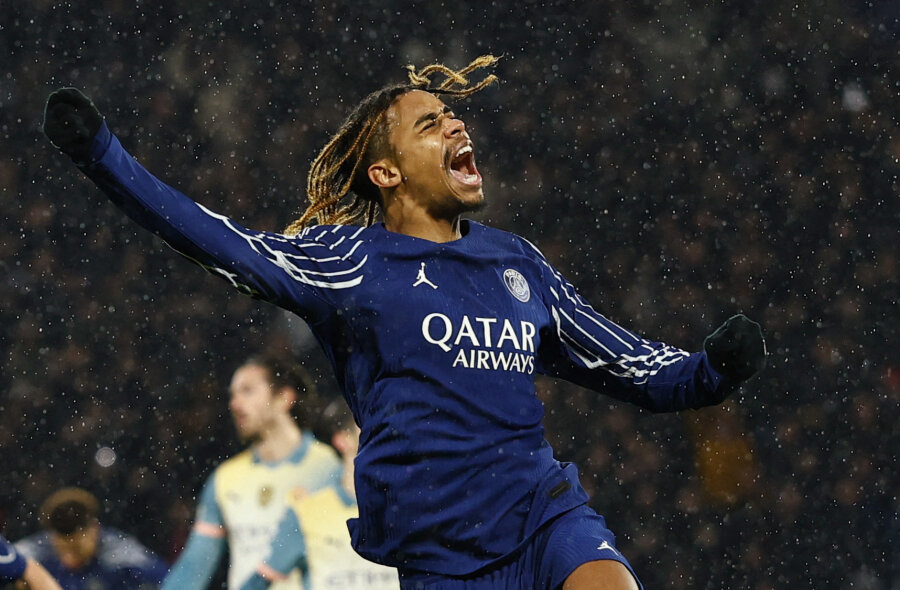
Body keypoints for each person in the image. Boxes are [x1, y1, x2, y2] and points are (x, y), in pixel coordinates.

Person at [41, 55, 766, 590]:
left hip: (544, 518)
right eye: (431, 123)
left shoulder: (517, 263)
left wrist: (709, 371)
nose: (456, 122)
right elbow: (221, 242)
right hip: (438, 558)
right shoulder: (350, 262)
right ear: (386, 173)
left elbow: (627, 364)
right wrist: (104, 157)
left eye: (453, 116)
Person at [160, 353, 341, 589]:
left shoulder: (329, 468)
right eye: (232, 395)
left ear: (284, 398)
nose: (234, 404)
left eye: (247, 391)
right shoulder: (226, 478)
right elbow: (194, 566)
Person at [240, 400, 399, 589]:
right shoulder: (307, 513)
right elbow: (257, 582)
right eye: (372, 428)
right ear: (343, 440)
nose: (384, 436)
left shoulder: (410, 509)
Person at [14, 487, 167, 589]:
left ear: (95, 528)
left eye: (78, 527)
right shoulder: (37, 551)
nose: (71, 539)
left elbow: (168, 580)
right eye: (63, 531)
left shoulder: (118, 554)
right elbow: (7, 559)